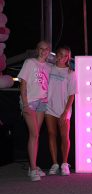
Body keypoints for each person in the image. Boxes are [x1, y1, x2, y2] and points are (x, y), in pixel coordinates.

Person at [18, 41, 52, 181]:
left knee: (36, 136)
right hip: (30, 102)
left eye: (46, 49)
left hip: (42, 102)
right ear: (37, 50)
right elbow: (23, 83)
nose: (43, 51)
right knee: (34, 134)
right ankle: (32, 169)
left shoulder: (49, 67)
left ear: (49, 51)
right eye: (41, 49)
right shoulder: (30, 62)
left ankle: (34, 165)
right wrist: (25, 103)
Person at [45, 46, 77, 176]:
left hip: (64, 109)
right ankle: (54, 163)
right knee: (52, 134)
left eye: (65, 56)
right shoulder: (48, 69)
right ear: (56, 55)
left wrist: (66, 111)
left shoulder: (71, 73)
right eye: (60, 54)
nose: (62, 57)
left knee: (64, 136)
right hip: (48, 108)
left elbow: (72, 95)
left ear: (68, 58)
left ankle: (64, 163)